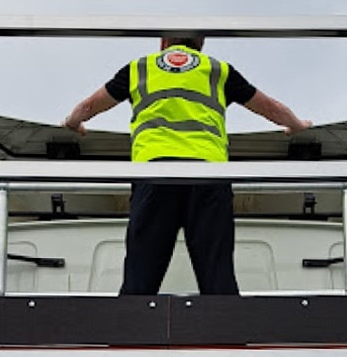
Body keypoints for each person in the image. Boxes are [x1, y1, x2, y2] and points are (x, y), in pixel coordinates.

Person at [64, 35, 312, 295]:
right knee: (218, 276)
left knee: (140, 276)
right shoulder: (217, 69)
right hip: (208, 176)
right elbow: (270, 107)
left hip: (154, 176)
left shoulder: (140, 67)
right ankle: (225, 334)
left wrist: (72, 123)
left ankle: (132, 333)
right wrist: (296, 125)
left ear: (163, 43)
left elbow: (89, 105)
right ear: (201, 45)